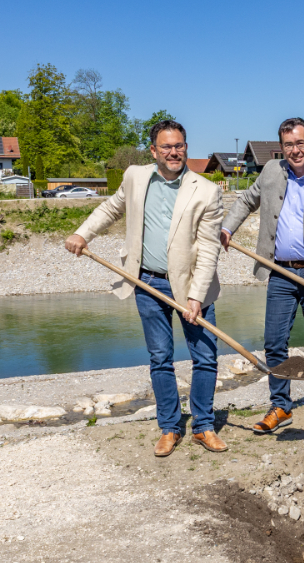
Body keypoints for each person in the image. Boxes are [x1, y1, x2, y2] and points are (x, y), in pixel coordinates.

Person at [65, 120, 227, 457]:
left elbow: (210, 247)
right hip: (147, 281)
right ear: (153, 150)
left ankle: (203, 426)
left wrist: (196, 295)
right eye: (166, 147)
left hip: (192, 285)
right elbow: (111, 208)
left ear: (186, 147)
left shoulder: (207, 190)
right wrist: (83, 233)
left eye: (179, 146)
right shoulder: (136, 177)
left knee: (205, 357)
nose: (173, 152)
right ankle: (169, 428)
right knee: (160, 358)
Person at [221, 117, 304, 437]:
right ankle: (280, 406)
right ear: (281, 148)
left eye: (300, 143)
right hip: (280, 271)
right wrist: (227, 226)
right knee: (274, 343)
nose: (295, 150)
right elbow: (247, 200)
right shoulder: (270, 172)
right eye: (288, 145)